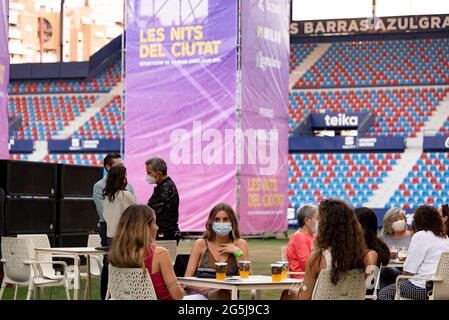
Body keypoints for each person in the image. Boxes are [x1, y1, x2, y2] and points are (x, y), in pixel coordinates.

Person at [294, 198, 373, 300]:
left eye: (319, 220)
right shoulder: (363, 257)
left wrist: (315, 248)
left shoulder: (318, 258)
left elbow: (304, 297)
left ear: (325, 226)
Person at [108, 204, 185, 300]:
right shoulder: (160, 254)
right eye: (155, 223)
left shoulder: (117, 255)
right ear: (145, 227)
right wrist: (179, 288)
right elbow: (178, 296)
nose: (157, 228)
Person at [378, 205, 449, 300]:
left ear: (418, 220)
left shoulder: (420, 235)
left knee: (384, 293)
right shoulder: (445, 237)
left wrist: (400, 281)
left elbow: (408, 271)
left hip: (422, 287)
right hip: (442, 288)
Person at [184, 203, 249, 300]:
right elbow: (187, 280)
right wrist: (204, 288)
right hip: (201, 294)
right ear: (211, 222)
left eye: (226, 219)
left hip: (227, 295)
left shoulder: (240, 244)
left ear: (232, 222)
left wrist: (237, 252)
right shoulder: (200, 244)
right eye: (217, 220)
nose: (221, 223)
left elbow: (248, 278)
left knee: (222, 294)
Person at [101, 165, 136, 300]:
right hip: (125, 240)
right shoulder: (125, 195)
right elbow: (137, 215)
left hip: (111, 239)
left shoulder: (107, 196)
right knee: (128, 275)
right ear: (122, 178)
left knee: (116, 275)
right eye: (125, 175)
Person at [93, 153, 135, 246]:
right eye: (119, 166)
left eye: (122, 165)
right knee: (110, 257)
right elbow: (103, 211)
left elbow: (134, 210)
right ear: (108, 167)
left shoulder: (129, 186)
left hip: (127, 228)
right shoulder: (99, 186)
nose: (122, 169)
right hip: (108, 227)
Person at [355, 207, 390, 295]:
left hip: (364, 294)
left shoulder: (371, 253)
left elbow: (368, 284)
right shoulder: (378, 244)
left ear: (364, 226)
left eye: (354, 223)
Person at [146, 157, 181, 244]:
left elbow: (149, 211)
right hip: (165, 233)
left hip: (165, 234)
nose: (147, 175)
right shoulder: (163, 186)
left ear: (158, 174)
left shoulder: (165, 188)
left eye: (149, 173)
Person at [379, 207, 412, 288]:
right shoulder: (382, 238)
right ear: (389, 222)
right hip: (386, 270)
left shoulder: (412, 236)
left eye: (401, 218)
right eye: (395, 220)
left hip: (406, 272)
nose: (399, 222)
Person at [287, 204, 318, 277]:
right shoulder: (299, 237)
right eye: (317, 218)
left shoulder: (313, 236)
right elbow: (307, 265)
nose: (320, 221)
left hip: (314, 278)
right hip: (303, 280)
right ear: (307, 221)